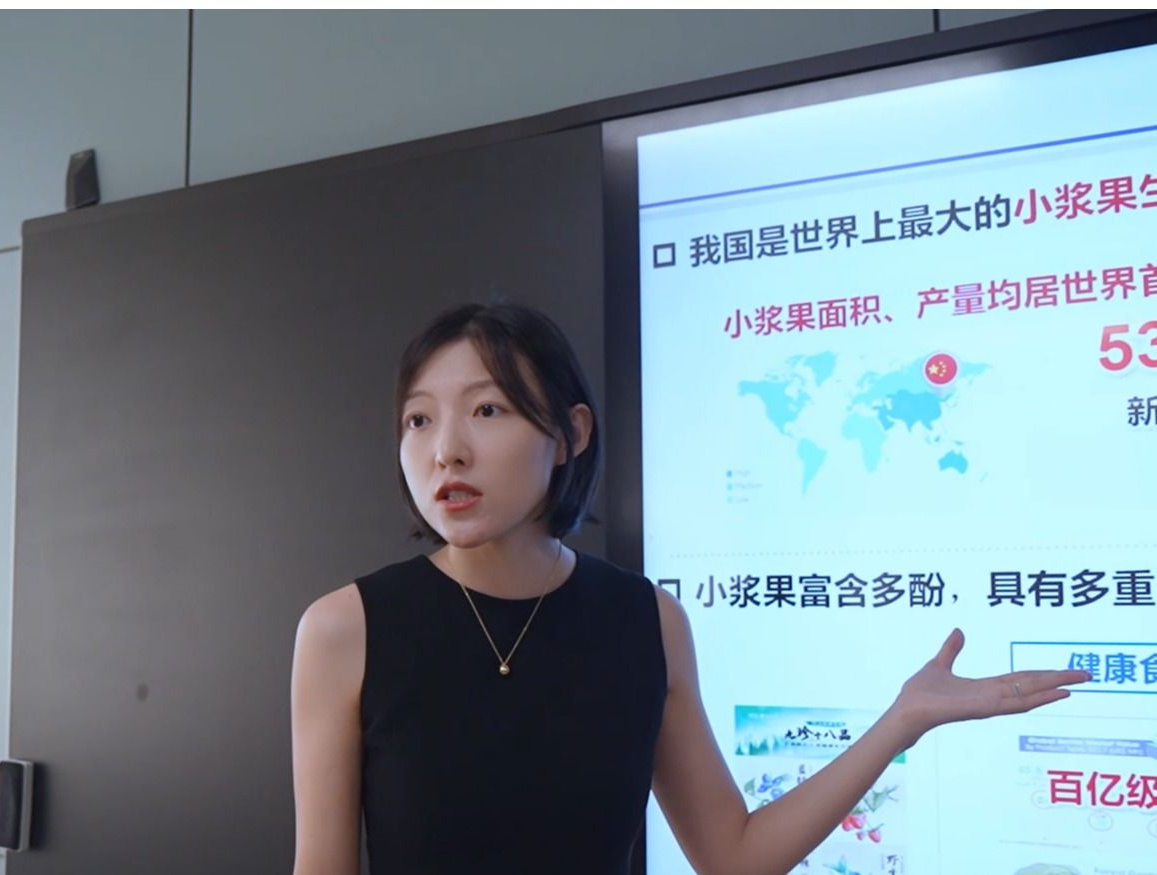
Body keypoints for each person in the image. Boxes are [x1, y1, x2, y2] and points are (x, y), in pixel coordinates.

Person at [290, 302, 1089, 875]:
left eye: (487, 409)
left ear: (570, 434)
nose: (445, 451)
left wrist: (902, 719)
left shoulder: (644, 619)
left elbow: (732, 855)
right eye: (419, 420)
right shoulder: (347, 628)